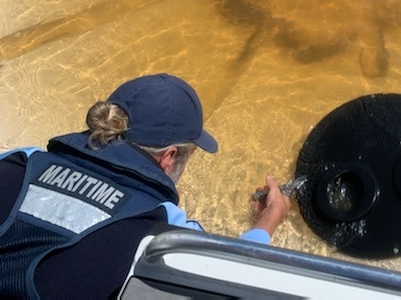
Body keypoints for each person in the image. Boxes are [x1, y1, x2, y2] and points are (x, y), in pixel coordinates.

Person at [0, 73, 290, 299]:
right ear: (169, 157)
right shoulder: (162, 231)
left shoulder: (18, 161)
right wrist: (267, 221)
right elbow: (235, 277)